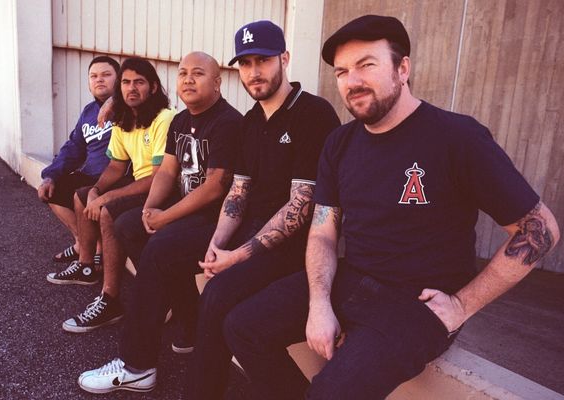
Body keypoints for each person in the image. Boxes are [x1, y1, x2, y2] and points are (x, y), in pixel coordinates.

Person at [222, 15, 561, 400]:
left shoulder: (457, 137)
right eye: (342, 72)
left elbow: (540, 228)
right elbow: (323, 232)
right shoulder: (339, 144)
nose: (352, 81)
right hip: (351, 280)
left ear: (403, 69)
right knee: (242, 327)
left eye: (367, 65)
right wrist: (319, 304)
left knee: (331, 393)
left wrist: (462, 305)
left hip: (417, 305)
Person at [76, 20, 340, 396]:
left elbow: (301, 205)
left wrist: (237, 254)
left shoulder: (312, 113)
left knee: (216, 293)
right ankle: (142, 362)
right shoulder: (252, 121)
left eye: (263, 61)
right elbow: (238, 193)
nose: (253, 72)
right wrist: (218, 241)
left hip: (294, 245)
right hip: (248, 230)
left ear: (284, 59)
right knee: (158, 249)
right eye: (245, 63)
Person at [76, 51, 243, 394]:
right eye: (183, 73)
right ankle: (191, 323)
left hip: (217, 221)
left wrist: (165, 217)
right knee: (128, 226)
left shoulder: (228, 122)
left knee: (159, 250)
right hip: (188, 214)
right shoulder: (181, 121)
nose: (188, 79)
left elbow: (216, 186)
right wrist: (149, 209)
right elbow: (167, 171)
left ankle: (137, 365)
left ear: (217, 82)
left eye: (198, 73)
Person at [47, 58, 175, 332]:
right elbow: (116, 166)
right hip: (141, 183)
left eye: (139, 82)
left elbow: (158, 177)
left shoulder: (164, 118)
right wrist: (96, 190)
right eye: (126, 82)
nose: (131, 88)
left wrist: (106, 198)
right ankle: (87, 266)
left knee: (108, 212)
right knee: (84, 195)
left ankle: (110, 299)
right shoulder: (123, 119)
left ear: (153, 87)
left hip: (165, 189)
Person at [38, 56, 119, 264]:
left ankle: (93, 252)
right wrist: (50, 175)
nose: (99, 79)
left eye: (106, 75)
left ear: (119, 79)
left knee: (82, 195)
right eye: (93, 76)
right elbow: (74, 147)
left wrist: (116, 100)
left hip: (114, 178)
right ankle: (82, 243)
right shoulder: (88, 112)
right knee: (54, 190)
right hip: (89, 174)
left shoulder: (127, 108)